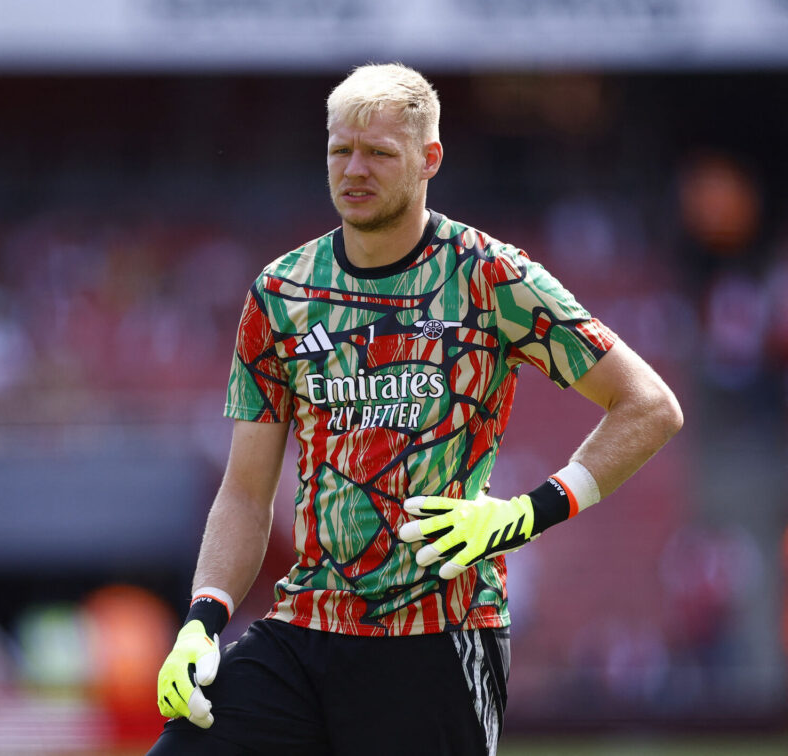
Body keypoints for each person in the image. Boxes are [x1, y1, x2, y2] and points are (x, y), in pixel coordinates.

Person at [148, 63, 682, 756]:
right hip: (303, 631)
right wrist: (202, 618)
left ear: (429, 159)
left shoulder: (491, 275)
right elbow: (247, 493)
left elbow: (649, 406)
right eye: (341, 150)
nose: (354, 170)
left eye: (379, 153)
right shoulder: (279, 292)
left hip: (441, 633)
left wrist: (526, 513)